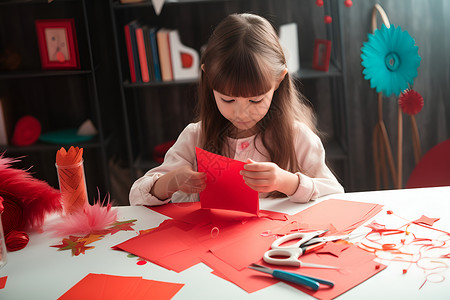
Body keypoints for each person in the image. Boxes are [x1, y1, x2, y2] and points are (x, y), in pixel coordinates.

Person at [129, 13, 344, 206]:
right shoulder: (195, 136)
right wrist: (170, 182)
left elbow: (335, 195)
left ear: (278, 81)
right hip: (207, 245)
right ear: (209, 79)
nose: (241, 113)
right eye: (228, 100)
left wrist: (287, 182)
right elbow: (136, 196)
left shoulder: (297, 137)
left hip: (274, 245)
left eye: (255, 100)